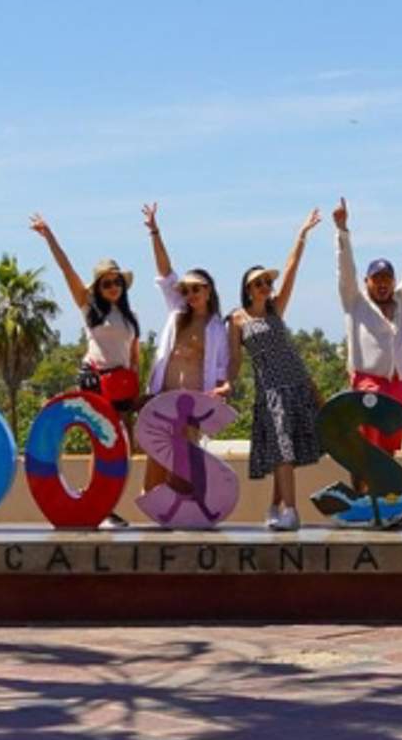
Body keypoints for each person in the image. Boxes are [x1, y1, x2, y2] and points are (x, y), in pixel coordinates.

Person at [229, 209, 325, 530]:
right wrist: (226, 386)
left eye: (268, 282)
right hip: (269, 389)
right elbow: (234, 360)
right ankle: (286, 510)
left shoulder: (276, 309)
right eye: (259, 283)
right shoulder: (238, 319)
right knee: (280, 449)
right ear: (248, 287)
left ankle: (282, 508)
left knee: (287, 448)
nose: (266, 286)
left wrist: (302, 234)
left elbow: (291, 268)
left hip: (297, 383)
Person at [139, 203, 234, 523]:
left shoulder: (217, 328)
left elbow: (220, 368)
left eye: (197, 289)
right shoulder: (176, 312)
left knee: (184, 463)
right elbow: (165, 274)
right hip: (162, 400)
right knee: (155, 458)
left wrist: (222, 389)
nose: (190, 293)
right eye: (187, 289)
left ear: (208, 291)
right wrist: (154, 231)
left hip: (192, 406)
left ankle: (180, 518)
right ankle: (154, 518)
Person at [334, 197, 402, 471]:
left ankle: (389, 506)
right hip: (368, 382)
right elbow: (345, 271)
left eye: (386, 279)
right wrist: (342, 231)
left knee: (389, 447)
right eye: (376, 279)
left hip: (398, 384)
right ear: (367, 282)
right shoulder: (355, 301)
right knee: (367, 445)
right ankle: (367, 499)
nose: (382, 284)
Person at [28, 214, 142, 418]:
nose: (113, 287)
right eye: (106, 284)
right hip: (95, 378)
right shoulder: (89, 308)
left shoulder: (131, 316)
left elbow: (134, 357)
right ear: (98, 288)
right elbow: (67, 270)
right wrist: (49, 237)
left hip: (120, 381)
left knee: (117, 431)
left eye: (117, 282)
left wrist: (135, 384)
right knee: (101, 429)